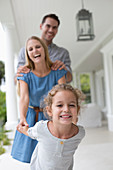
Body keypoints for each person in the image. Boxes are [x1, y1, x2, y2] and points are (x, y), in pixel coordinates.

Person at [11, 36, 67, 163]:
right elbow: (24, 98)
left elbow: (63, 96)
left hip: (52, 117)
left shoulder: (58, 72)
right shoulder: (25, 74)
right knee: (34, 159)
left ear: (44, 49)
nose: (35, 51)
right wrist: (23, 118)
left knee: (53, 157)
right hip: (32, 117)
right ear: (27, 54)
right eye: (30, 49)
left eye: (38, 47)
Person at [18, 84, 85, 170]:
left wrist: (73, 119)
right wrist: (22, 128)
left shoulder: (79, 133)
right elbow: (29, 132)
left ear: (77, 109)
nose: (66, 109)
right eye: (60, 105)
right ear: (49, 110)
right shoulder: (41, 128)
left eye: (71, 105)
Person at [16, 13, 72, 83]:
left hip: (56, 92)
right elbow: (16, 80)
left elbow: (69, 79)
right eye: (48, 26)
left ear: (57, 30)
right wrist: (21, 72)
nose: (51, 30)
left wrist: (64, 70)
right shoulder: (25, 51)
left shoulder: (63, 53)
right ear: (41, 26)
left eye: (54, 27)